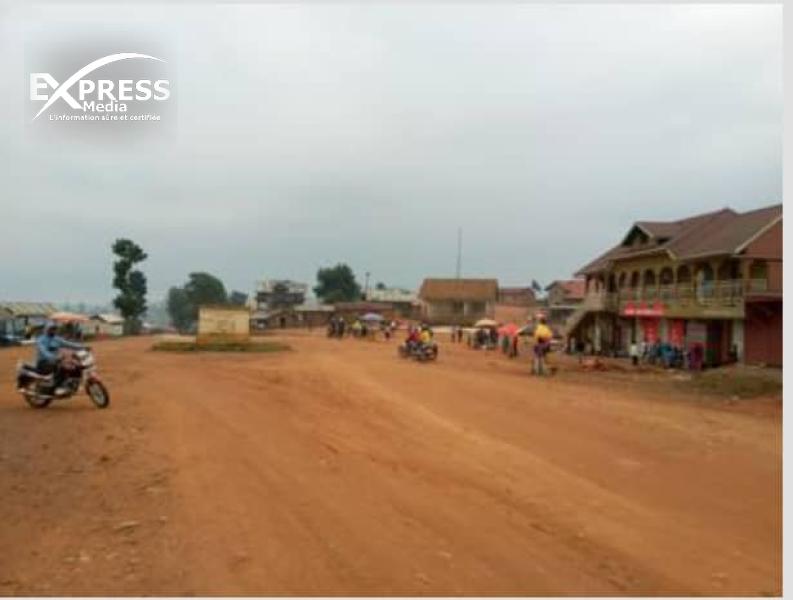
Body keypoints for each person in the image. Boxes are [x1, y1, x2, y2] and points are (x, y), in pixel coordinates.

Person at [34, 322, 88, 395]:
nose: (53, 331)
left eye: (54, 329)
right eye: (51, 329)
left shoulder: (57, 339)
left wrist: (83, 347)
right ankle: (55, 388)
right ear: (46, 329)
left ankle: (71, 384)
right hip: (43, 362)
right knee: (61, 367)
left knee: (74, 364)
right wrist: (53, 357)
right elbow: (43, 351)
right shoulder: (41, 340)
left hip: (56, 361)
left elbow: (69, 344)